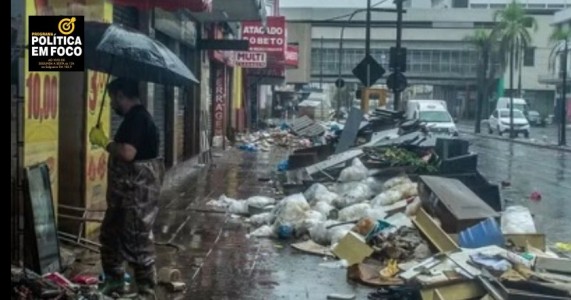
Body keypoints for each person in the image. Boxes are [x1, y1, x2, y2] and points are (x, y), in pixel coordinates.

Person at [89, 78, 164, 299]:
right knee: (111, 238)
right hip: (123, 197)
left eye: (113, 99)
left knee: (137, 245)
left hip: (135, 199)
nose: (112, 104)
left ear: (121, 96)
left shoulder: (138, 119)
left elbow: (127, 153)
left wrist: (104, 142)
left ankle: (146, 292)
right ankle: (114, 283)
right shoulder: (135, 118)